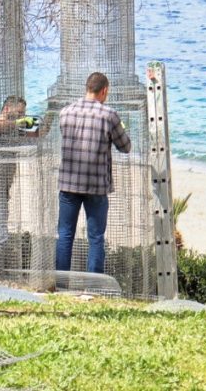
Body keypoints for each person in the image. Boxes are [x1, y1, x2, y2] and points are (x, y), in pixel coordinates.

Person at [56, 72, 131, 274]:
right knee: (96, 237)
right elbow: (125, 147)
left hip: (68, 183)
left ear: (87, 88)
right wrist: (122, 128)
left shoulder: (65, 112)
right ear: (104, 91)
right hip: (96, 186)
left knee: (64, 234)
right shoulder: (109, 115)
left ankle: (61, 281)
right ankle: (94, 284)